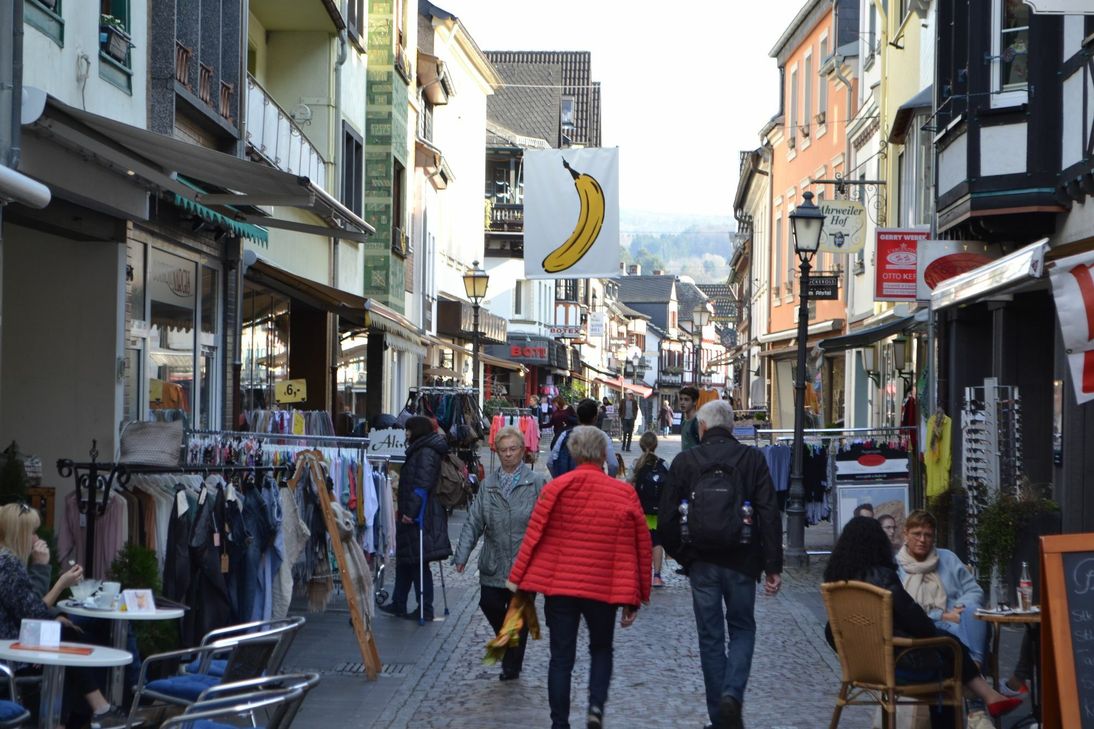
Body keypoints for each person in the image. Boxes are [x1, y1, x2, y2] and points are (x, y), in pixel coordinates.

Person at [508, 426, 652, 729]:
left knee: (561, 657)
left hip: (559, 587)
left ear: (573, 452)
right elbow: (642, 544)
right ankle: (595, 708)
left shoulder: (556, 488)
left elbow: (533, 535)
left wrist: (517, 579)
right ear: (603, 454)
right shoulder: (623, 492)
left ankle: (559, 723)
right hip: (604, 587)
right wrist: (638, 595)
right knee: (601, 649)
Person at [823, 517, 1022, 726]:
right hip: (899, 667)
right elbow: (919, 623)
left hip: (863, 668)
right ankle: (987, 698)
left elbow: (831, 631)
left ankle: (988, 697)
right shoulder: (882, 578)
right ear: (878, 544)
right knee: (950, 652)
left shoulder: (836, 584)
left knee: (948, 649)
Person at [658, 400, 782, 729]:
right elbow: (769, 512)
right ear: (731, 427)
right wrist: (772, 565)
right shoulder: (752, 459)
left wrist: (683, 556)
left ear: (702, 428)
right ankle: (733, 694)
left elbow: (666, 518)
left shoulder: (686, 461)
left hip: (702, 563)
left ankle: (720, 718)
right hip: (742, 561)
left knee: (710, 637)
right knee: (742, 629)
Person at [0, 503, 127, 729]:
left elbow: (26, 607)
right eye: (31, 532)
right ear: (19, 533)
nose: (35, 537)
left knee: (67, 633)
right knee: (69, 639)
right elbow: (33, 613)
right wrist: (56, 580)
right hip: (10, 651)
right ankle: (97, 710)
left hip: (13, 641)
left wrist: (54, 614)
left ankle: (92, 712)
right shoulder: (7, 564)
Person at [453, 426, 547, 681]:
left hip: (525, 562)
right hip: (493, 560)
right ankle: (507, 643)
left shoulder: (536, 482)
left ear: (522, 451)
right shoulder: (489, 485)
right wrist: (461, 556)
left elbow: (549, 522)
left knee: (518, 615)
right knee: (490, 603)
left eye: (513, 449)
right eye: (503, 450)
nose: (508, 455)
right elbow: (474, 521)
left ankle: (511, 665)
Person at [380, 415, 451, 622]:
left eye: (408, 430)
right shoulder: (420, 450)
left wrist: (410, 513)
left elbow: (422, 484)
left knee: (419, 562)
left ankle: (425, 608)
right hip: (414, 513)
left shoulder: (425, 452)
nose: (406, 434)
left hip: (421, 515)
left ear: (417, 431)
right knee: (406, 560)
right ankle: (399, 602)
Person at [896, 511, 989, 667]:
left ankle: (974, 666)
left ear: (934, 537)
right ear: (905, 534)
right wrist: (941, 615)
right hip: (923, 626)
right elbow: (901, 609)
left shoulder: (947, 558)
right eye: (916, 534)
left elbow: (974, 591)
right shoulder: (896, 567)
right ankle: (973, 676)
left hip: (958, 620)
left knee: (973, 610)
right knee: (962, 637)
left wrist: (960, 607)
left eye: (928, 535)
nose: (922, 540)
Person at [630, 431, 668, 589]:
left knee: (640, 542)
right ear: (656, 445)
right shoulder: (664, 464)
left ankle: (640, 574)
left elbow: (629, 485)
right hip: (658, 510)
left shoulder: (636, 464)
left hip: (641, 509)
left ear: (640, 445)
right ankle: (657, 576)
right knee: (656, 541)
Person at [548, 398, 618, 478]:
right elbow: (613, 465)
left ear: (578, 416)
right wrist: (608, 481)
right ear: (595, 417)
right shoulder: (602, 436)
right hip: (594, 482)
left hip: (569, 482)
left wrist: (559, 480)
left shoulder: (565, 435)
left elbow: (550, 463)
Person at [678, 386, 701, 451]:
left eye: (686, 399)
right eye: (681, 399)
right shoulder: (684, 423)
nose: (682, 402)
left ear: (695, 402)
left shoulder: (698, 422)